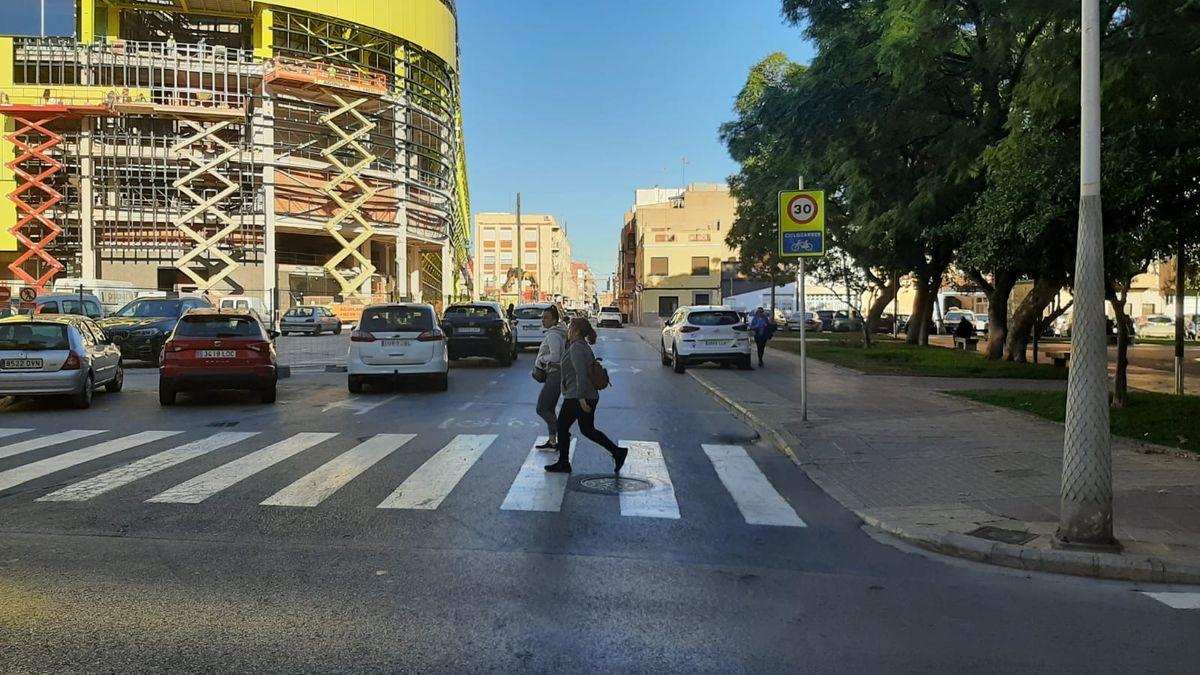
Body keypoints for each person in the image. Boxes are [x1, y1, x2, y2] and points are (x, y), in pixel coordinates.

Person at [545, 317, 627, 474]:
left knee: (562, 427)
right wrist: (555, 365)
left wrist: (581, 399)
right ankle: (617, 452)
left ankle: (563, 463)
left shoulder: (576, 347)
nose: (568, 331)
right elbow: (575, 367)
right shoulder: (581, 346)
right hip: (586, 395)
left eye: (570, 328)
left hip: (578, 396)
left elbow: (581, 374)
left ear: (575, 331)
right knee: (587, 430)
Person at [533, 305, 567, 451]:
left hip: (555, 375)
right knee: (550, 408)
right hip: (554, 374)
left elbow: (555, 356)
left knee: (541, 408)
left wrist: (541, 359)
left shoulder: (553, 335)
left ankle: (562, 436)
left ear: (554, 319)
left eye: (546, 318)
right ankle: (553, 441)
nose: (543, 320)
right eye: (542, 317)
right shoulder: (555, 333)